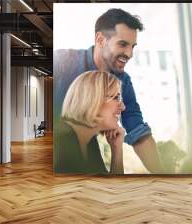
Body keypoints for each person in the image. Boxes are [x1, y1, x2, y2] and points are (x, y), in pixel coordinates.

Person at [54, 8, 164, 173]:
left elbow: (138, 132)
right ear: (100, 40)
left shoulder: (123, 82)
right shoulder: (62, 63)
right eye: (122, 44)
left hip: (86, 148)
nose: (129, 53)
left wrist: (164, 177)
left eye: (133, 46)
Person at [54, 71, 125, 174]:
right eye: (116, 97)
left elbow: (111, 187)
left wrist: (116, 149)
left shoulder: (90, 141)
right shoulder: (60, 140)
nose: (123, 107)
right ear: (92, 98)